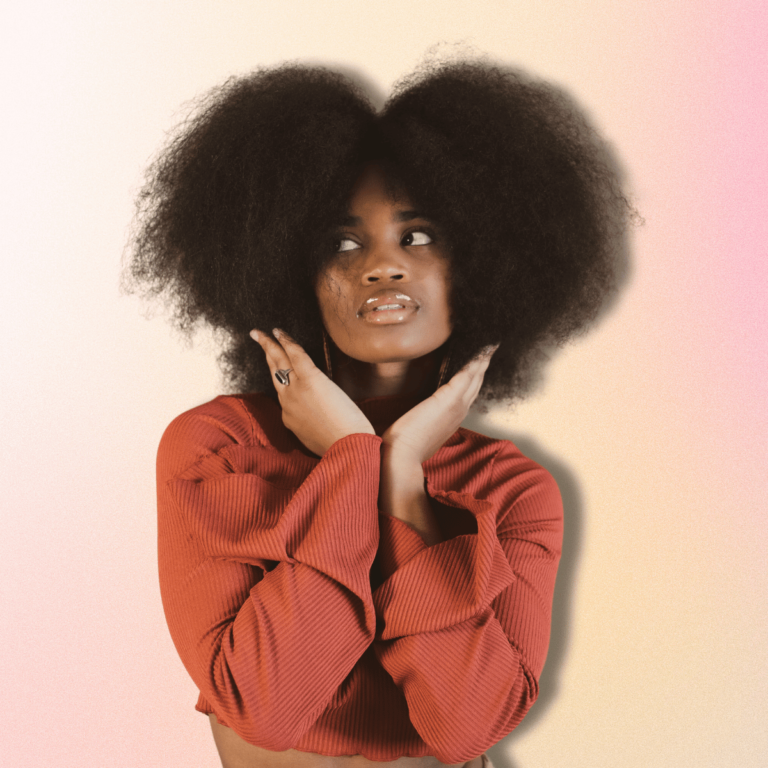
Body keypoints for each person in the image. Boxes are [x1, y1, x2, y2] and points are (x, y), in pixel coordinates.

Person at [126, 59, 630, 767]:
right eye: (342, 242)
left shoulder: (514, 491)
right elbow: (266, 705)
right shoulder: (217, 450)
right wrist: (352, 461)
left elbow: (466, 729)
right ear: (291, 273)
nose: (382, 265)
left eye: (417, 237)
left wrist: (399, 482)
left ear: (480, 267)